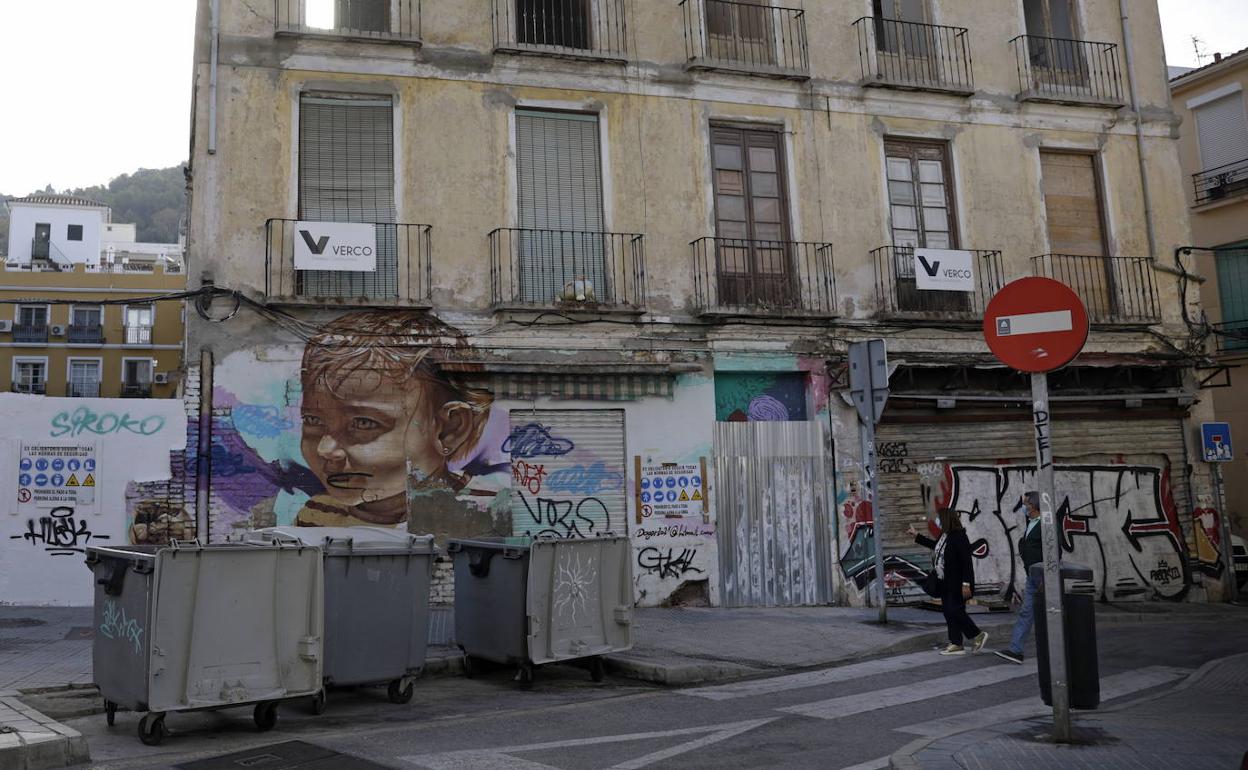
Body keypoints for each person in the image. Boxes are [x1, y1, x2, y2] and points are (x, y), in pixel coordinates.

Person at [294, 310, 495, 527]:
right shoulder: (316, 514)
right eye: (313, 420)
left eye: (363, 423)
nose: (325, 449)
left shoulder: (487, 512)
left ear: (449, 430)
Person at [909, 509, 988, 655]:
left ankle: (977, 635)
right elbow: (937, 547)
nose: (937, 521)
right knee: (948, 612)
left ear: (946, 519)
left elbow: (967, 562)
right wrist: (917, 536)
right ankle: (956, 643)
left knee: (955, 610)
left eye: (939, 518)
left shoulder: (959, 537)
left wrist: (966, 584)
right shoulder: (945, 535)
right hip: (944, 581)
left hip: (957, 583)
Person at [995, 491, 1044, 664]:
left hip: (1043, 576)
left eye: (1026, 503)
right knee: (1027, 612)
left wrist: (1046, 579)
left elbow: (1055, 552)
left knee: (1050, 614)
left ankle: (1061, 647)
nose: (1024, 506)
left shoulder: (1047, 524)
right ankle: (1016, 650)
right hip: (1033, 575)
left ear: (1035, 505)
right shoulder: (1032, 523)